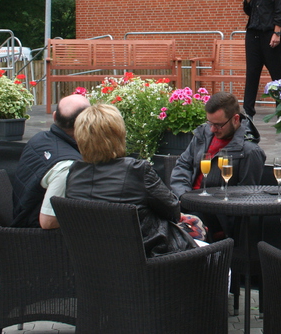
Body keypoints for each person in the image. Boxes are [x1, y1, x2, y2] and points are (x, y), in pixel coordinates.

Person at [44, 103, 195, 256]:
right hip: (151, 259)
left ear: (79, 137)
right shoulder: (136, 170)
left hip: (94, 260)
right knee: (196, 225)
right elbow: (173, 211)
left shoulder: (74, 171)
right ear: (119, 135)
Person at [169, 91, 266, 238]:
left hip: (214, 217)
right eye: (210, 123)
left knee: (175, 235)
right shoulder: (203, 133)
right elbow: (183, 165)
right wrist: (183, 195)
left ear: (235, 119)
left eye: (218, 125)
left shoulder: (249, 151)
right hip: (185, 203)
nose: (212, 129)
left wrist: (208, 206)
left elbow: (245, 198)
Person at [11, 93, 90, 228]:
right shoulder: (66, 166)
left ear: (54, 116)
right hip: (36, 233)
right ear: (86, 124)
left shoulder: (39, 138)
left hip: (20, 215)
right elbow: (48, 222)